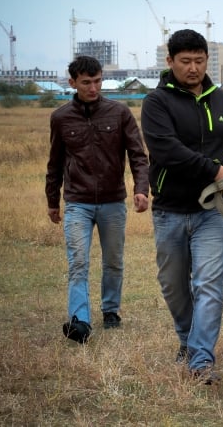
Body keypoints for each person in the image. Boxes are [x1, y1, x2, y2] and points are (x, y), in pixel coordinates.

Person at [141, 29, 223, 384]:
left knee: (208, 285)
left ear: (208, 60)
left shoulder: (222, 99)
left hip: (214, 210)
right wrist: (216, 170)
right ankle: (188, 341)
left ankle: (201, 361)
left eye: (199, 60)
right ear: (170, 61)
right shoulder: (156, 103)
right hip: (170, 210)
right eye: (185, 61)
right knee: (174, 286)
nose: (193, 68)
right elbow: (167, 151)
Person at [45, 55, 150, 344]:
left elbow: (138, 155)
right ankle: (79, 322)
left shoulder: (119, 113)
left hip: (113, 201)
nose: (93, 88)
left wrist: (142, 188)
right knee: (78, 261)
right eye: (86, 82)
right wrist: (53, 201)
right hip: (77, 202)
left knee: (113, 261)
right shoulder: (61, 117)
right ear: (73, 82)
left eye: (98, 81)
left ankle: (111, 311)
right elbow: (54, 163)